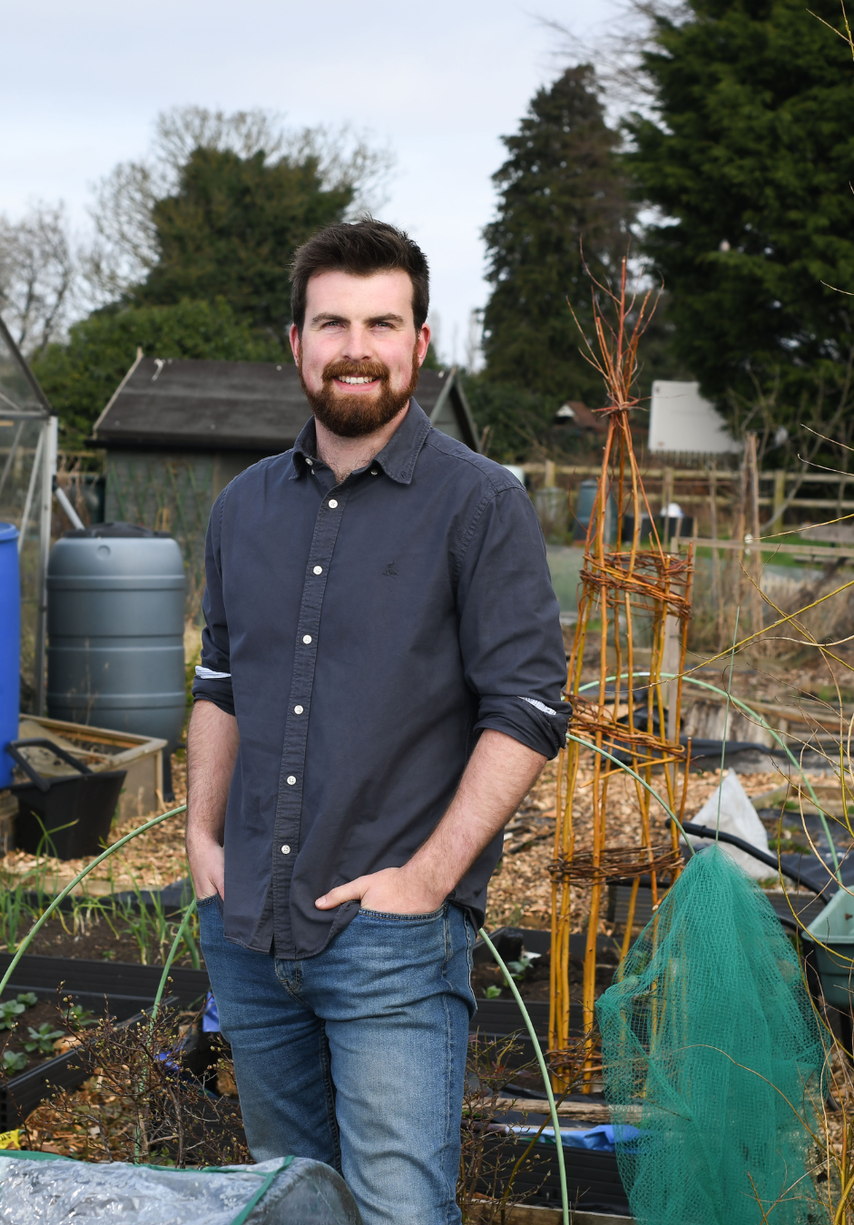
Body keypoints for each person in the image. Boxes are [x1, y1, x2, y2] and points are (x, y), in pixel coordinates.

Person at [186, 218, 569, 1225]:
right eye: (332, 323)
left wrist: (427, 881)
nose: (355, 347)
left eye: (381, 323)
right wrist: (200, 838)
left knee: (399, 1212)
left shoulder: (480, 505)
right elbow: (219, 681)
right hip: (247, 930)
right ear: (296, 342)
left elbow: (529, 707)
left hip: (389, 940)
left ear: (419, 343)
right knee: (291, 1201)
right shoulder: (242, 509)